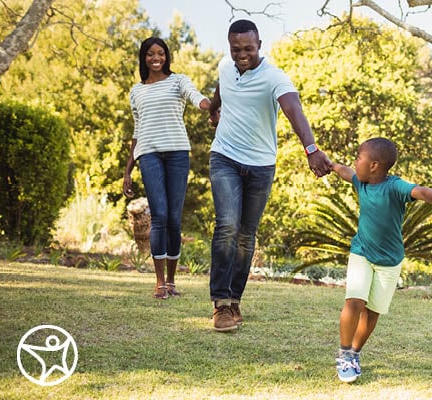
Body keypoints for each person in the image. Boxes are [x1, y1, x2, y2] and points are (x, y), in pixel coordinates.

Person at [207, 19, 332, 332]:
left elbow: (293, 109)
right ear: (230, 47)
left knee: (246, 235)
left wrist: (311, 149)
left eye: (248, 48)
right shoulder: (225, 65)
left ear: (259, 45)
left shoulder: (274, 76)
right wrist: (214, 109)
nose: (242, 54)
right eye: (236, 49)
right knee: (227, 226)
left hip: (261, 164)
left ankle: (235, 298)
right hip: (224, 157)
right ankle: (220, 304)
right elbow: (221, 87)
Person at [330, 137, 432, 382]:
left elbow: (422, 191)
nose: (355, 162)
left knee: (373, 312)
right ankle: (344, 353)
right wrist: (330, 165)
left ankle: (355, 352)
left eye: (359, 158)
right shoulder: (361, 182)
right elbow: (344, 172)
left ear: (374, 165)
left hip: (389, 261)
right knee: (354, 301)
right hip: (361, 253)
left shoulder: (395, 187)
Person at [123, 37, 210, 300]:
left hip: (177, 154)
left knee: (174, 218)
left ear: (167, 56)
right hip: (148, 155)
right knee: (159, 215)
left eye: (160, 53)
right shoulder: (136, 91)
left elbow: (196, 97)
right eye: (150, 54)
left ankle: (172, 281)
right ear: (144, 58)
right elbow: (137, 131)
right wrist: (128, 170)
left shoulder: (178, 80)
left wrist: (211, 106)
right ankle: (159, 282)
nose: (156, 58)